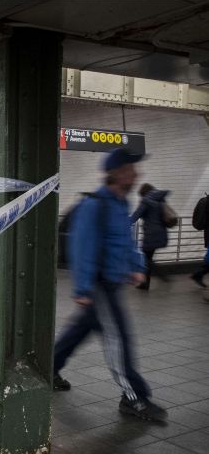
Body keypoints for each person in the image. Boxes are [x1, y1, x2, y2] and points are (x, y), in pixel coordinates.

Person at [53, 148, 167, 422]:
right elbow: (82, 247)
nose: (135, 174)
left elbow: (124, 242)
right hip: (98, 285)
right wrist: (82, 288)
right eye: (129, 169)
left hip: (113, 282)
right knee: (119, 339)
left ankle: (50, 367)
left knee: (79, 331)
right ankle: (134, 398)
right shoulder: (96, 205)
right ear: (115, 174)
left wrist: (136, 267)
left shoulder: (120, 204)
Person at [130, 183, 170, 290]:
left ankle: (161, 273)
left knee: (145, 259)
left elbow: (135, 216)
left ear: (143, 193)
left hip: (151, 235)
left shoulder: (146, 201)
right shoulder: (160, 199)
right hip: (161, 232)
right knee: (148, 258)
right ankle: (145, 283)